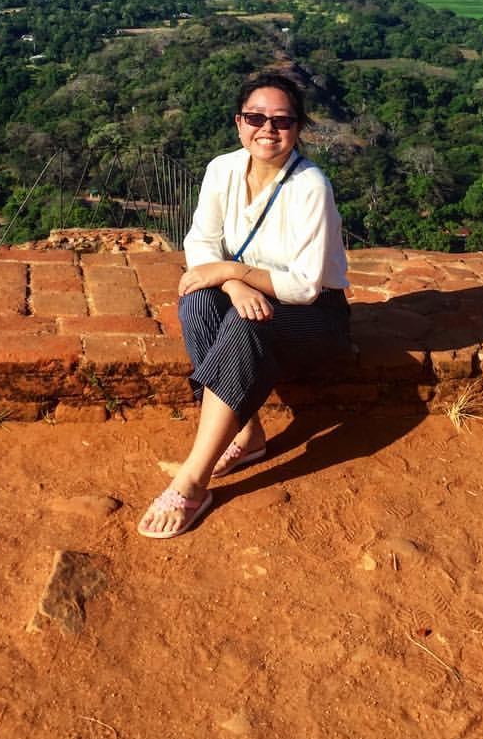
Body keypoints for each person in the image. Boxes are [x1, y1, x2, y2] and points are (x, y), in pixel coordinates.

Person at [138, 71, 350, 539]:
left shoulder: (310, 186)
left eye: (282, 121)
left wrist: (232, 272)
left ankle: (192, 480)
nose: (267, 130)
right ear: (239, 123)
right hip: (252, 296)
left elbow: (304, 288)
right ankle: (248, 433)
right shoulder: (223, 170)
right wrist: (234, 284)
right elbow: (201, 243)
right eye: (256, 118)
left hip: (319, 317)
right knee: (198, 303)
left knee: (246, 326)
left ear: (298, 128)